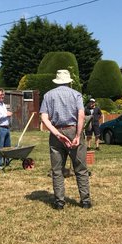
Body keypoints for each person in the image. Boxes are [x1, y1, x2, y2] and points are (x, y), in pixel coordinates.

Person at [39, 70, 91, 210]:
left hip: (56, 132)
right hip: (73, 129)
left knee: (57, 170)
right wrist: (78, 135)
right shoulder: (76, 94)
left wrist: (57, 134)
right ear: (69, 81)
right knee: (80, 169)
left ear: (57, 81)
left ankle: (59, 202)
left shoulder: (48, 95)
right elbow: (81, 115)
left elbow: (44, 118)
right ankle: (85, 200)